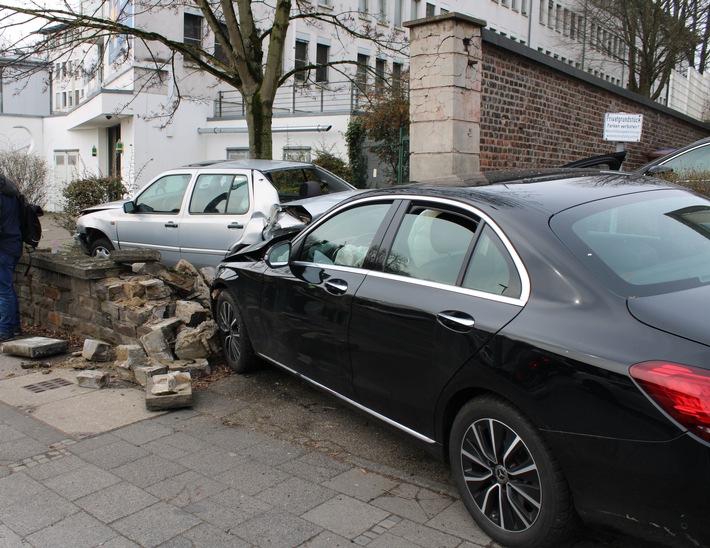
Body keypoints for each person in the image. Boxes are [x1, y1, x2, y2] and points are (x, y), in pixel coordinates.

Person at [0, 173, 23, 342]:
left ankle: (6, 329)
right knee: (7, 288)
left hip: (4, 247)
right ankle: (14, 327)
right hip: (14, 244)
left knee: (4, 289)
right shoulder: (12, 193)